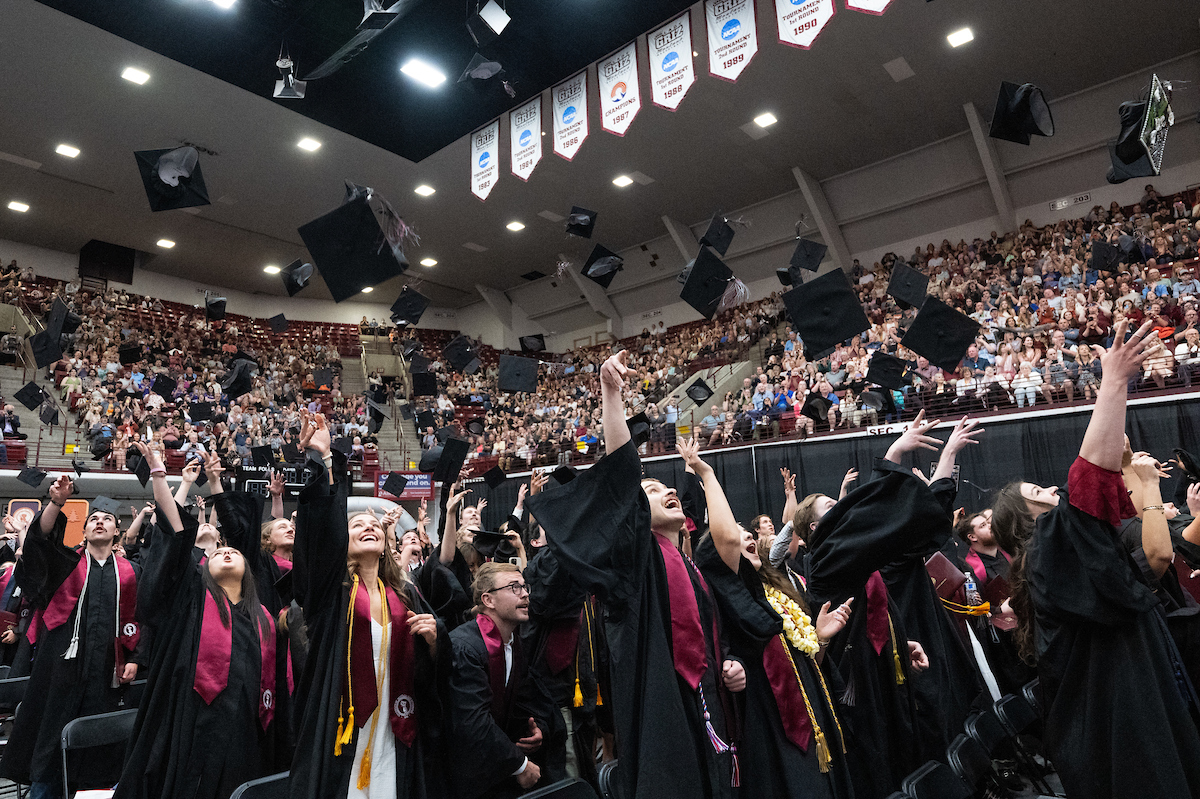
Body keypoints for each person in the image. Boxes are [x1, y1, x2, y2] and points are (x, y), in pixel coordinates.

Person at [992, 319, 1200, 798]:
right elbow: (1088, 482)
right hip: (1112, 709)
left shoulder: (1054, 555)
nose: (1050, 491)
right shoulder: (1047, 553)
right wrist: (1113, 382)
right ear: (1022, 520)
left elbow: (1098, 502)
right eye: (1036, 492)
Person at [526, 350, 737, 799]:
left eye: (666, 486)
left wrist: (730, 663)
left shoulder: (690, 567)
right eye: (652, 489)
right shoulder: (633, 559)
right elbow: (623, 474)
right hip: (660, 696)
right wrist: (611, 393)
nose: (666, 491)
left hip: (707, 700)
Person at [683, 436, 856, 798]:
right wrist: (707, 473)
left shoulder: (776, 592)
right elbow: (727, 541)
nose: (746, 538)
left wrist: (821, 637)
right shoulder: (733, 596)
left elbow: (809, 662)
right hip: (771, 718)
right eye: (741, 536)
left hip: (814, 710)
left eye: (750, 535)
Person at [289, 410, 449, 799]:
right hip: (342, 722)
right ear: (341, 543)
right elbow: (319, 535)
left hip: (397, 722)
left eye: (375, 524)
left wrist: (434, 639)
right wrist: (324, 460)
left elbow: (435, 658)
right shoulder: (333, 591)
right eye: (357, 524)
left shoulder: (405, 594)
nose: (370, 526)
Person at [116, 446, 285, 799]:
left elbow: (244, 536)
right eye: (220, 552)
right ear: (203, 566)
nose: (227, 551)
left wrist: (217, 483)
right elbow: (175, 537)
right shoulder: (189, 599)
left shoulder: (264, 616)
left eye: (234, 552)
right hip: (188, 725)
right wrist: (163, 478)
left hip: (244, 734)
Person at [0, 478, 144, 797]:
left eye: (106, 518)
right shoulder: (65, 564)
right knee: (50, 752)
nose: (100, 521)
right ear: (85, 529)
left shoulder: (131, 572)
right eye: (93, 518)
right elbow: (40, 542)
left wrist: (135, 659)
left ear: (116, 531)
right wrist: (56, 503)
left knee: (98, 758)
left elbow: (144, 621)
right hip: (58, 674)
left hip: (106, 679)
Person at [447, 561, 557, 798]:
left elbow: (526, 696)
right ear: (488, 600)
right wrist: (520, 764)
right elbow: (472, 722)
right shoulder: (465, 647)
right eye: (514, 587)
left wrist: (538, 727)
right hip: (463, 775)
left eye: (525, 586)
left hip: (493, 767)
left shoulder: (513, 642)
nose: (525, 593)